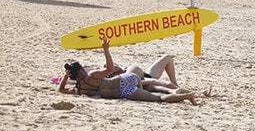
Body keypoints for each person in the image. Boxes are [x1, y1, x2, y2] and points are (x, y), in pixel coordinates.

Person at [58, 39, 201, 104]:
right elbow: (109, 68)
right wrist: (106, 50)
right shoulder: (91, 76)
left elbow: (61, 90)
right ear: (81, 70)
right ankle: (183, 92)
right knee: (154, 85)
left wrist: (65, 77)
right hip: (126, 80)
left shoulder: (79, 90)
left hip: (123, 93)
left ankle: (187, 96)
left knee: (158, 98)